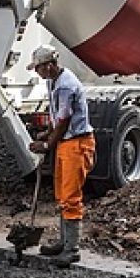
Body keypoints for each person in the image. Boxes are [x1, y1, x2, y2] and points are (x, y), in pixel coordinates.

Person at [26, 45, 95, 262]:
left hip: (77, 143)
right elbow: (57, 117)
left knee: (71, 197)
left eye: (38, 68)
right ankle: (64, 242)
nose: (37, 73)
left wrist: (46, 146)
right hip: (67, 143)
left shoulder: (65, 86)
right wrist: (47, 133)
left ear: (49, 65)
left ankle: (72, 249)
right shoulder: (53, 81)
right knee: (62, 195)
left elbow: (64, 121)